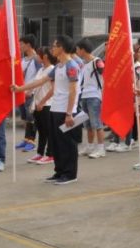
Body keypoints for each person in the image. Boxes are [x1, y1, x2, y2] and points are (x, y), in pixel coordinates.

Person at [45, 36, 81, 184]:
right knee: (56, 143)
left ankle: (70, 174)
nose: (52, 49)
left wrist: (69, 113)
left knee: (67, 144)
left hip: (66, 111)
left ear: (62, 47)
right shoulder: (58, 67)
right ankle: (59, 171)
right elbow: (42, 81)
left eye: (54, 46)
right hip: (55, 108)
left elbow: (73, 91)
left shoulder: (71, 66)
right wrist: (20, 88)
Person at [75, 39, 106, 159]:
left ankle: (101, 148)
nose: (77, 51)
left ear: (82, 50)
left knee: (97, 124)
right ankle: (90, 146)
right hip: (85, 96)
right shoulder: (84, 64)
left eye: (78, 49)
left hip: (94, 96)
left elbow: (104, 75)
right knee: (87, 124)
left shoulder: (97, 61)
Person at [27, 47, 56, 165]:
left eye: (38, 55)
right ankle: (40, 153)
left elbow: (54, 89)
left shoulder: (52, 69)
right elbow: (36, 84)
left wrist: (43, 102)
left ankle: (51, 154)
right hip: (38, 104)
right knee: (41, 130)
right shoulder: (41, 70)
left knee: (49, 131)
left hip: (47, 105)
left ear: (44, 56)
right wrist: (28, 92)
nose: (36, 57)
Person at [15, 34, 41, 153]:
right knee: (25, 117)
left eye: (21, 44)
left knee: (32, 118)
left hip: (31, 94)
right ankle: (26, 139)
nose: (19, 46)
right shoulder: (22, 59)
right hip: (22, 92)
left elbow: (40, 76)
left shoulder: (37, 59)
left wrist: (31, 91)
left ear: (28, 45)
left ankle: (32, 141)